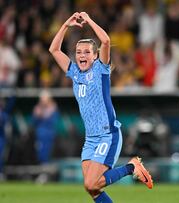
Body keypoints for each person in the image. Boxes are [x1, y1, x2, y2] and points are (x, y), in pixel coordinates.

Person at [49, 12, 153, 203]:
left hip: (108, 134)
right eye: (79, 52)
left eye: (87, 52)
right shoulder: (74, 72)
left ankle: (132, 167)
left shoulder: (100, 70)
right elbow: (54, 50)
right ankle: (131, 167)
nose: (82, 55)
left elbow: (105, 41)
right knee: (92, 190)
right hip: (91, 139)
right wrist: (66, 25)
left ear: (95, 56)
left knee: (91, 183)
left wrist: (88, 21)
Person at [32, 90, 59, 164]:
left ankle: (46, 171)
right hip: (40, 135)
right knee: (40, 153)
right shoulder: (37, 109)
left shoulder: (53, 109)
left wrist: (45, 115)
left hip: (49, 135)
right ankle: (42, 169)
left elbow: (53, 122)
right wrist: (37, 115)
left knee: (48, 153)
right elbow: (33, 122)